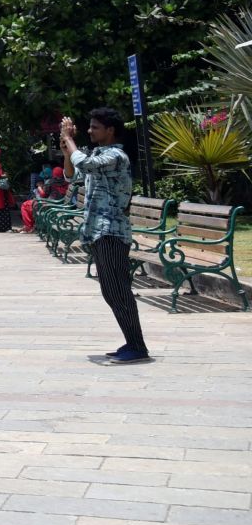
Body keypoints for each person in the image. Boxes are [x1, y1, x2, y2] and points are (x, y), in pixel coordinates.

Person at [63, 110, 149, 363]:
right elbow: (73, 174)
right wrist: (67, 149)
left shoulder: (116, 156)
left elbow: (85, 164)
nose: (90, 131)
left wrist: (69, 138)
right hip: (98, 230)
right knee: (111, 291)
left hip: (112, 231)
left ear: (110, 130)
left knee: (118, 290)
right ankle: (133, 342)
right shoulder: (98, 155)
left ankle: (137, 346)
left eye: (95, 127)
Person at [20, 165, 69, 232]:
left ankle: (29, 226)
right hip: (60, 204)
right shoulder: (66, 183)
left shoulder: (51, 182)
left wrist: (39, 188)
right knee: (31, 204)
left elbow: (43, 195)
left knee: (25, 205)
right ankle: (32, 225)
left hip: (49, 205)